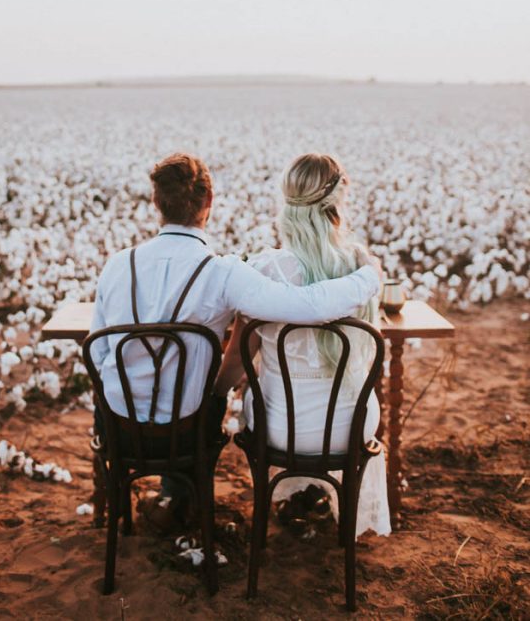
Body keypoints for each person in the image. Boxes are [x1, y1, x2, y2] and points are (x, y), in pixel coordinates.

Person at [90, 152, 381, 529]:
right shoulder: (223, 274)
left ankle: (169, 501)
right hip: (186, 431)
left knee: (191, 395)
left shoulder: (117, 265)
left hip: (119, 427)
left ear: (156, 203)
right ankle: (183, 497)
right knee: (201, 398)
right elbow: (306, 305)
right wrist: (368, 276)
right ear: (209, 203)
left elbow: (98, 352)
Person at [216, 152, 391, 538]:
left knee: (261, 399)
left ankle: (287, 499)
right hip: (351, 424)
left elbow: (236, 364)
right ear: (337, 205)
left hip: (282, 429)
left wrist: (212, 398)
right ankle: (324, 499)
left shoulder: (263, 271)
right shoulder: (361, 267)